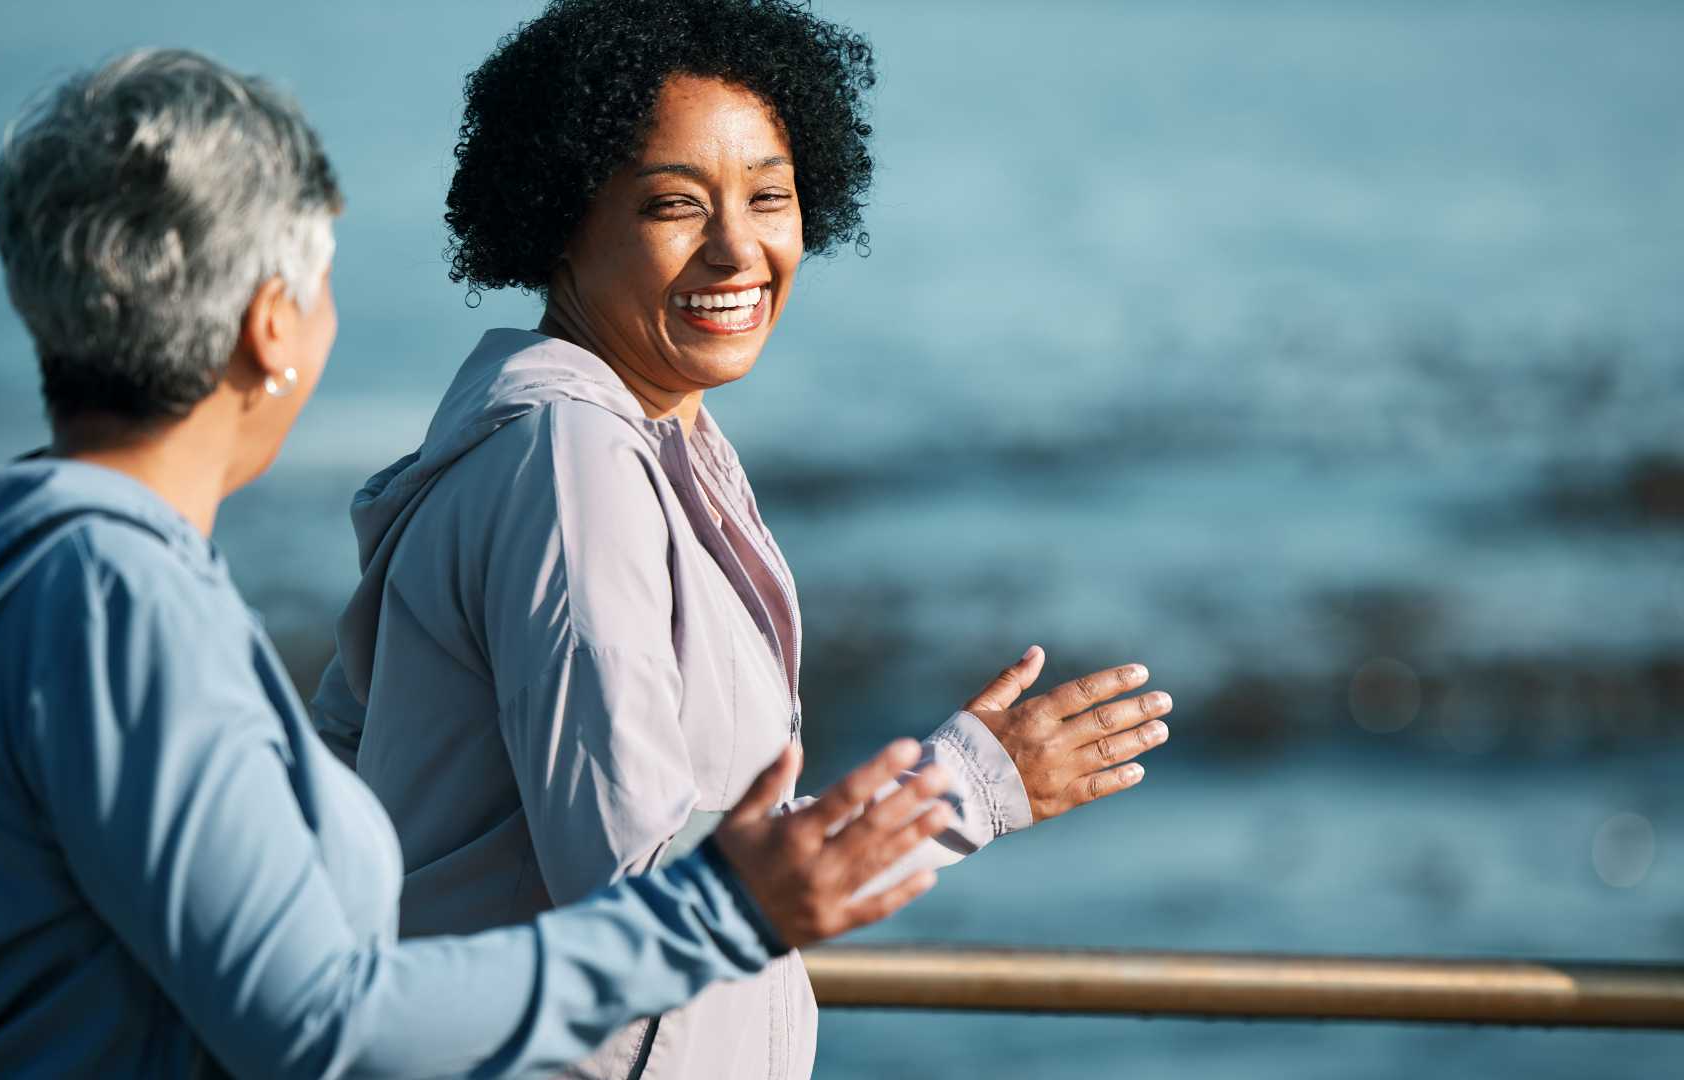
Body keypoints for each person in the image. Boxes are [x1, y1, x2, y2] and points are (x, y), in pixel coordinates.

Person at [0, 48, 960, 1080]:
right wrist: (717, 912)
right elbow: (321, 1019)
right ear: (271, 327)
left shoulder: (3, 567)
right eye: (325, 280)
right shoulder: (113, 605)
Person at [310, 1, 1177, 1076]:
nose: (739, 248)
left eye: (770, 195)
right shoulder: (569, 459)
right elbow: (636, 892)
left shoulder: (647, 440)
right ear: (560, 216)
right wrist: (969, 788)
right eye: (675, 204)